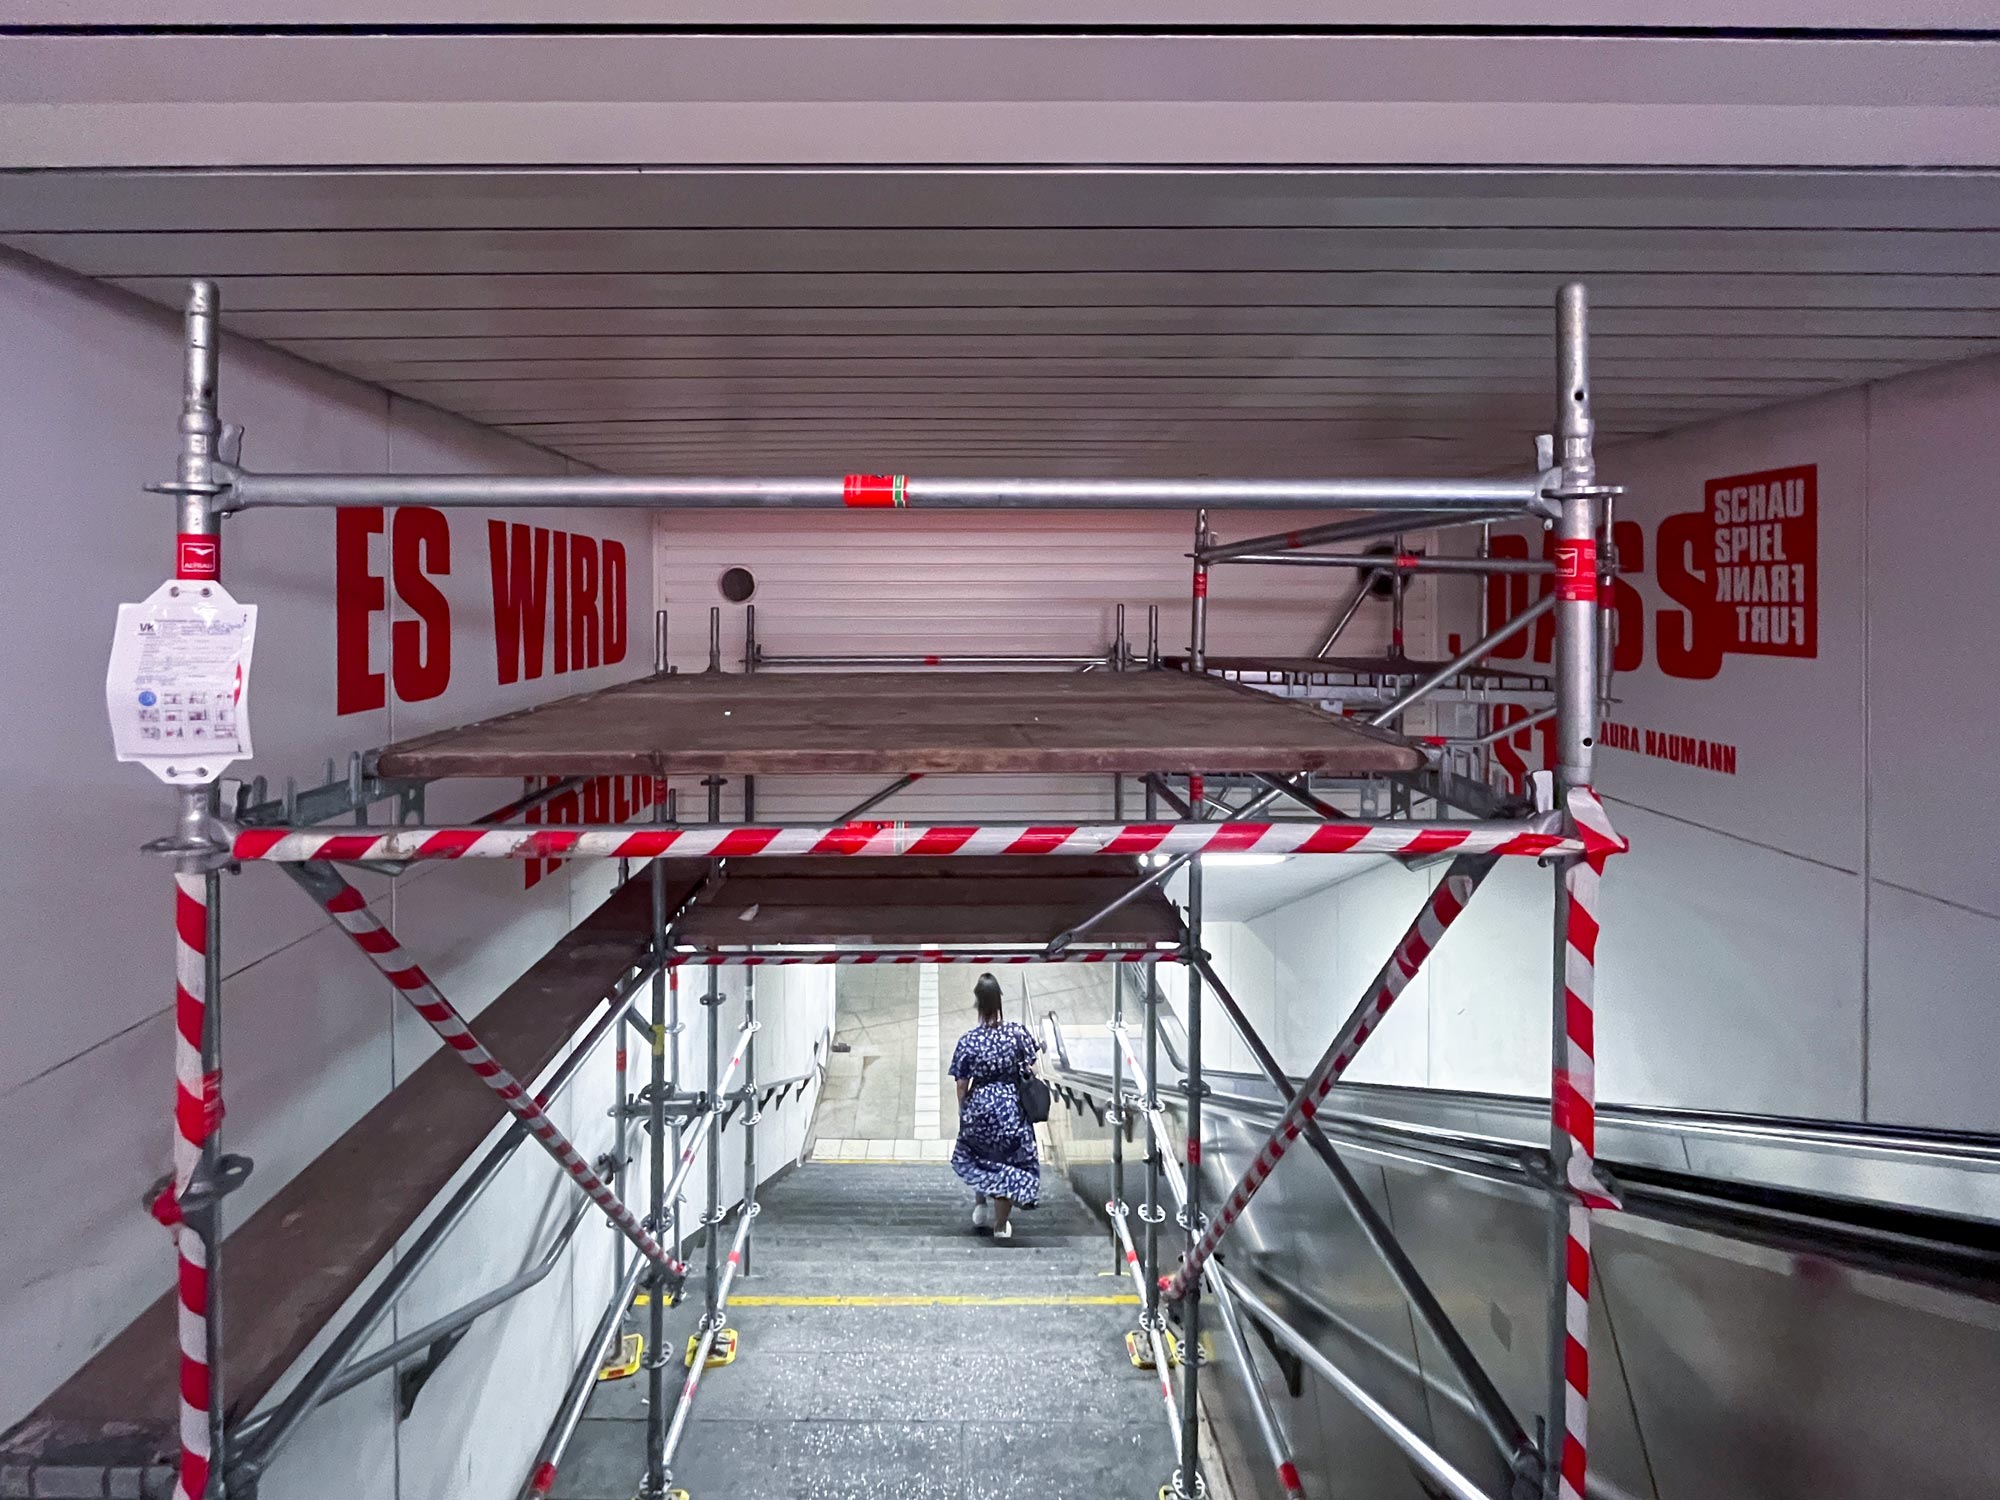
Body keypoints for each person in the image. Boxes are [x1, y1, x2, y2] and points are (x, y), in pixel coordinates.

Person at [948, 972, 1042, 1240]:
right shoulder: (1017, 1033)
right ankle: (1001, 1226)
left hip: (980, 1106)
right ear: (1000, 1001)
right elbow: (1032, 1067)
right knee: (1008, 1164)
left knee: (979, 1154)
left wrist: (964, 1109)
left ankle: (980, 1206)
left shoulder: (969, 1040)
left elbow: (961, 1082)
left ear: (977, 1003)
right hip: (1011, 1107)